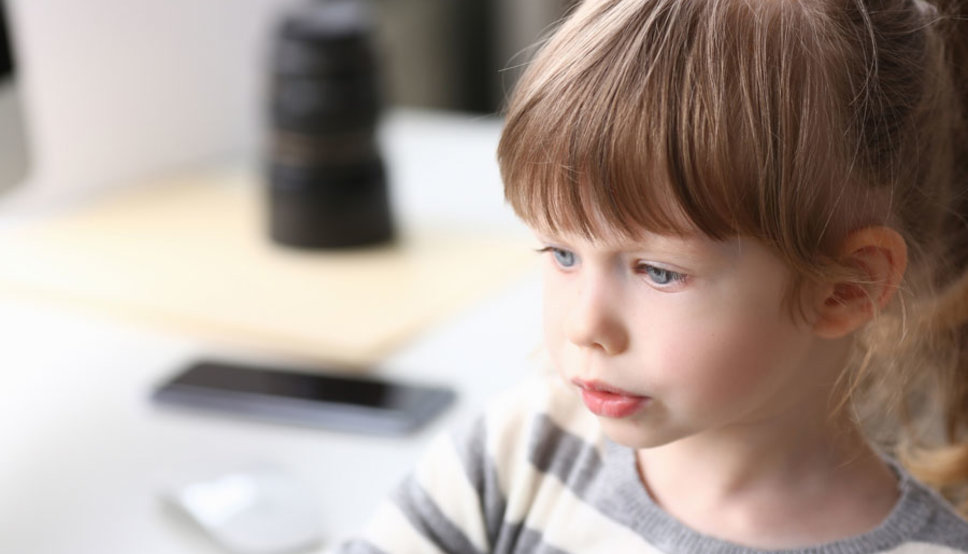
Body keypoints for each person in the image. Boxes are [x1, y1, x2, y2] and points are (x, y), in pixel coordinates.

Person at [337, 0, 968, 551]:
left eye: (659, 272)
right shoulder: (517, 456)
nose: (585, 325)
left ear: (847, 287)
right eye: (562, 254)